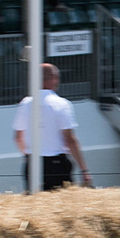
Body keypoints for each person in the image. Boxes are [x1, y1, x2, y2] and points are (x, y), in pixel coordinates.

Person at [14, 62, 93, 190]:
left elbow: (18, 138)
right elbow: (70, 140)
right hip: (56, 163)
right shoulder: (61, 104)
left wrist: (28, 155)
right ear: (54, 78)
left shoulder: (25, 103)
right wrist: (84, 169)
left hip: (32, 162)